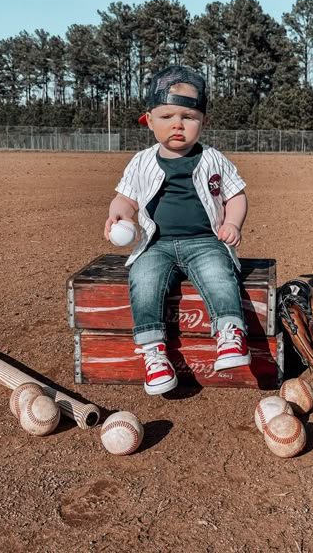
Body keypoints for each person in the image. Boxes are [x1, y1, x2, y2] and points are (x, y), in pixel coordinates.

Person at [104, 65, 249, 395]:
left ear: (203, 121)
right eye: (167, 116)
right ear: (150, 120)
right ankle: (154, 352)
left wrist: (231, 223)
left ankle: (230, 334)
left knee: (217, 272)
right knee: (144, 278)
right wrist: (119, 217)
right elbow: (124, 200)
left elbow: (237, 196)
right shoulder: (141, 161)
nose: (178, 124)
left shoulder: (214, 159)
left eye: (189, 116)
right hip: (156, 244)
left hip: (205, 241)